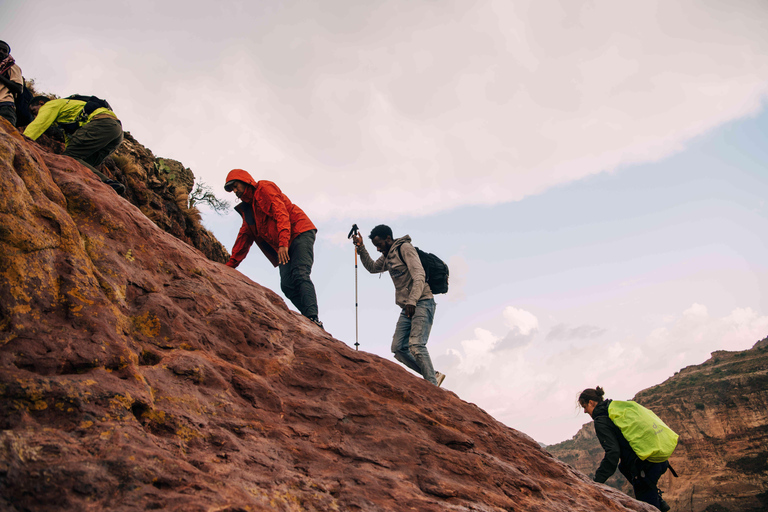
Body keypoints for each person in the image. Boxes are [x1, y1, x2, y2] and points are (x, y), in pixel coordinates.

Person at [224, 169, 323, 329]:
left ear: (245, 181)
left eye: (236, 186)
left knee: (300, 273)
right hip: (283, 244)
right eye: (232, 189)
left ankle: (313, 318)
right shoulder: (248, 211)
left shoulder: (263, 189)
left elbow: (281, 212)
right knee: (287, 285)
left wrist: (283, 243)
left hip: (299, 231)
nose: (235, 191)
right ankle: (309, 320)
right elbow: (244, 238)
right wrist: (230, 265)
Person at [352, 225, 445, 386]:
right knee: (398, 348)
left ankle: (432, 385)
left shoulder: (405, 248)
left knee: (416, 345)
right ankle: (433, 375)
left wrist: (412, 301)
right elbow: (372, 268)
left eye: (379, 244)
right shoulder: (388, 256)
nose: (378, 249)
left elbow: (419, 275)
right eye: (376, 246)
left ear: (388, 238)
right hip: (407, 306)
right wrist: (361, 248)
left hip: (422, 301)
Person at [579, 386, 671, 512]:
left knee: (648, 505)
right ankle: (657, 499)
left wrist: (596, 482)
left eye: (584, 407)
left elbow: (613, 453)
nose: (585, 411)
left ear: (591, 402)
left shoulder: (601, 420)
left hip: (644, 468)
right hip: (658, 459)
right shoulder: (614, 410)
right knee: (623, 467)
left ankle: (654, 498)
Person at [24, 96, 125, 195]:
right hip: (116, 131)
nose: (35, 116)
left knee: (70, 159)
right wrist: (67, 155)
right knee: (79, 164)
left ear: (41, 103)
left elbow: (39, 124)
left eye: (34, 111)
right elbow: (71, 141)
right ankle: (109, 184)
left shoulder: (51, 105)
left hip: (101, 123)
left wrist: (22, 139)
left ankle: (105, 183)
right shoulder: (67, 116)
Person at [0, 40, 22, 126]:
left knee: (5, 133)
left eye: (4, 51)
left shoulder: (12, 67)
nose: (1, 52)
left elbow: (18, 88)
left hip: (4, 106)